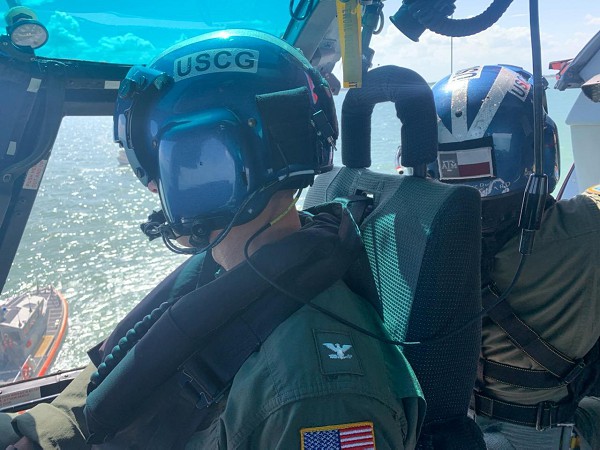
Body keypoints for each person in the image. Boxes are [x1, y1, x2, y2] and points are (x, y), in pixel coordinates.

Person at [0, 30, 425, 449]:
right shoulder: (229, 269)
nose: (153, 188)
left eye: (159, 165)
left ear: (208, 162)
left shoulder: (318, 397)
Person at [428, 64, 600, 449]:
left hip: (455, 425)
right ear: (545, 151)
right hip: (545, 431)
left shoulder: (409, 242)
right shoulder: (588, 230)